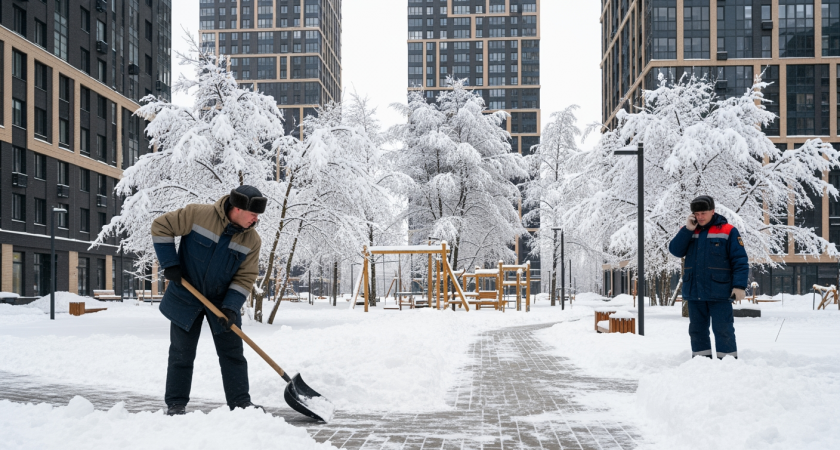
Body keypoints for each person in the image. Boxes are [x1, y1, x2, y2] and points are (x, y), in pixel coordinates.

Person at [152, 186, 266, 415]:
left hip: (222, 302)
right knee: (181, 353)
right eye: (253, 214)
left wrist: (231, 307)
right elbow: (161, 225)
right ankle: (176, 403)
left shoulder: (252, 240)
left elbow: (245, 277)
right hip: (186, 296)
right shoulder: (197, 215)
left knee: (233, 353)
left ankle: (241, 403)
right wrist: (170, 264)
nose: (256, 219)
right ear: (236, 208)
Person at [668, 195, 748, 359]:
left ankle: (728, 363)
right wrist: (687, 230)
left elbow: (739, 260)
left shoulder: (727, 231)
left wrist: (739, 286)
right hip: (695, 291)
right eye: (697, 214)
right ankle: (700, 363)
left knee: (723, 329)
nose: (700, 217)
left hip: (720, 291)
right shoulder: (690, 230)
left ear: (713, 211)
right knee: (696, 330)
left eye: (703, 213)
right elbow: (675, 250)